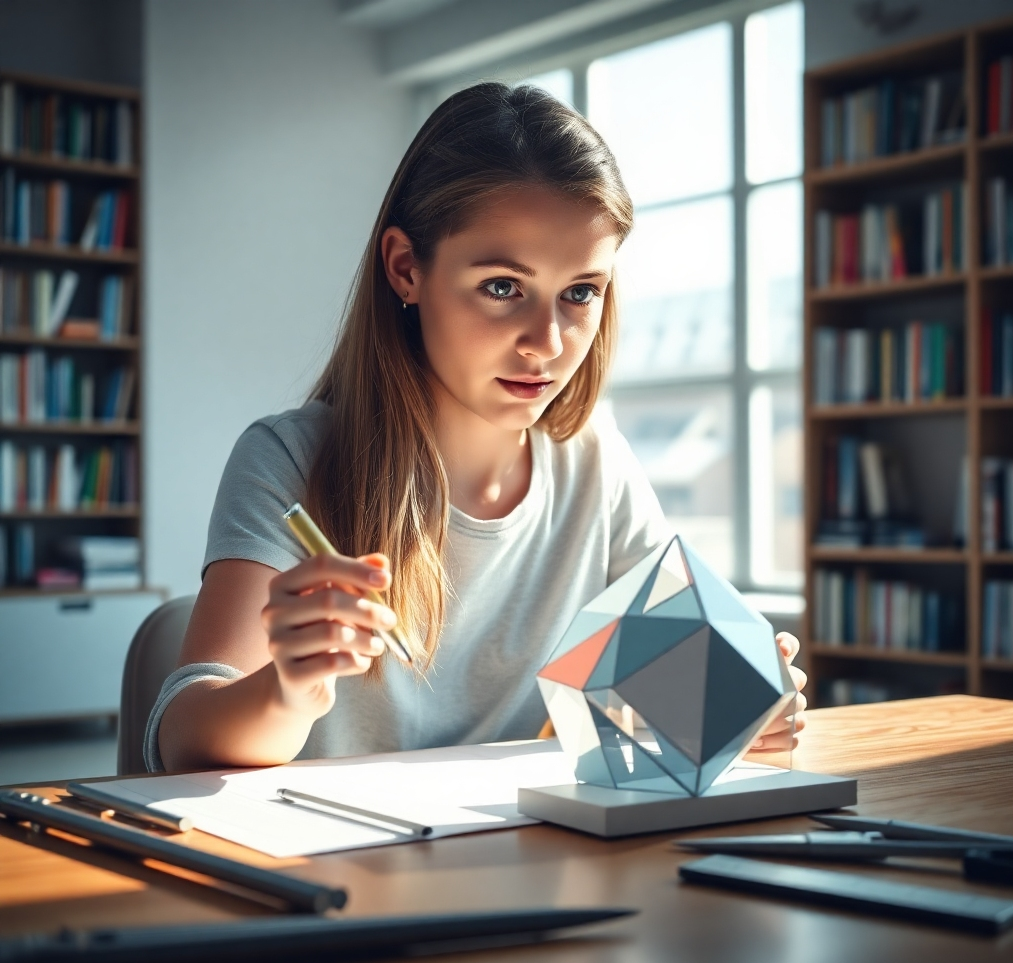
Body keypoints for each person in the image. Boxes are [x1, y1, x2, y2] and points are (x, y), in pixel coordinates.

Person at [147, 83, 806, 773]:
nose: (546, 342)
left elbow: (675, 703)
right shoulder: (289, 458)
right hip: (335, 872)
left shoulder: (595, 465)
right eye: (502, 287)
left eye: (579, 292)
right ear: (406, 268)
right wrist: (289, 691)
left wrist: (745, 706)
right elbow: (183, 742)